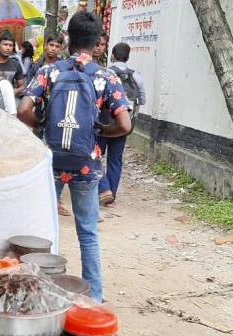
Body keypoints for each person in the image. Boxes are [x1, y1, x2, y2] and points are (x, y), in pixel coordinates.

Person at [18, 11, 132, 302]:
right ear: (97, 43)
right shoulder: (106, 76)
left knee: (45, 231)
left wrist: (41, 125)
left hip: (52, 159)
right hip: (86, 162)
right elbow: (124, 125)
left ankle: (42, 295)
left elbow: (23, 110)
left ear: (68, 39)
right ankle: (93, 297)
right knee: (88, 231)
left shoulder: (50, 71)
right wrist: (99, 133)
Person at [98, 42, 146, 207]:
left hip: (103, 124)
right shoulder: (136, 76)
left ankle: (103, 189)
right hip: (123, 125)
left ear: (112, 55)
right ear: (128, 57)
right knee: (115, 160)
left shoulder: (104, 74)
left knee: (95, 156)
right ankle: (112, 195)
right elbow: (142, 100)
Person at [0, 31, 26, 100]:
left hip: (9, 101)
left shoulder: (15, 64)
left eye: (10, 45)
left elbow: (22, 86)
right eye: (5, 45)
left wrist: (14, 91)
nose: (8, 48)